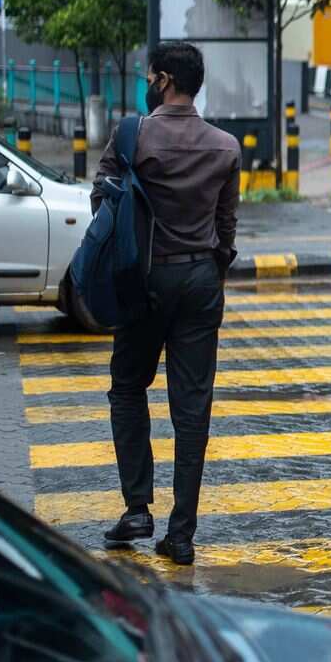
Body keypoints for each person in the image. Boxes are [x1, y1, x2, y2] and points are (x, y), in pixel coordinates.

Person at [95, 42, 239, 566]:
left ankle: (137, 506)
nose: (147, 81)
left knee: (128, 388)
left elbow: (102, 199)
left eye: (150, 75)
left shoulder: (133, 134)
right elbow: (227, 227)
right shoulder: (225, 146)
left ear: (163, 80)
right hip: (201, 280)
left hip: (145, 279)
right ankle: (181, 534)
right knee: (192, 407)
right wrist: (211, 268)